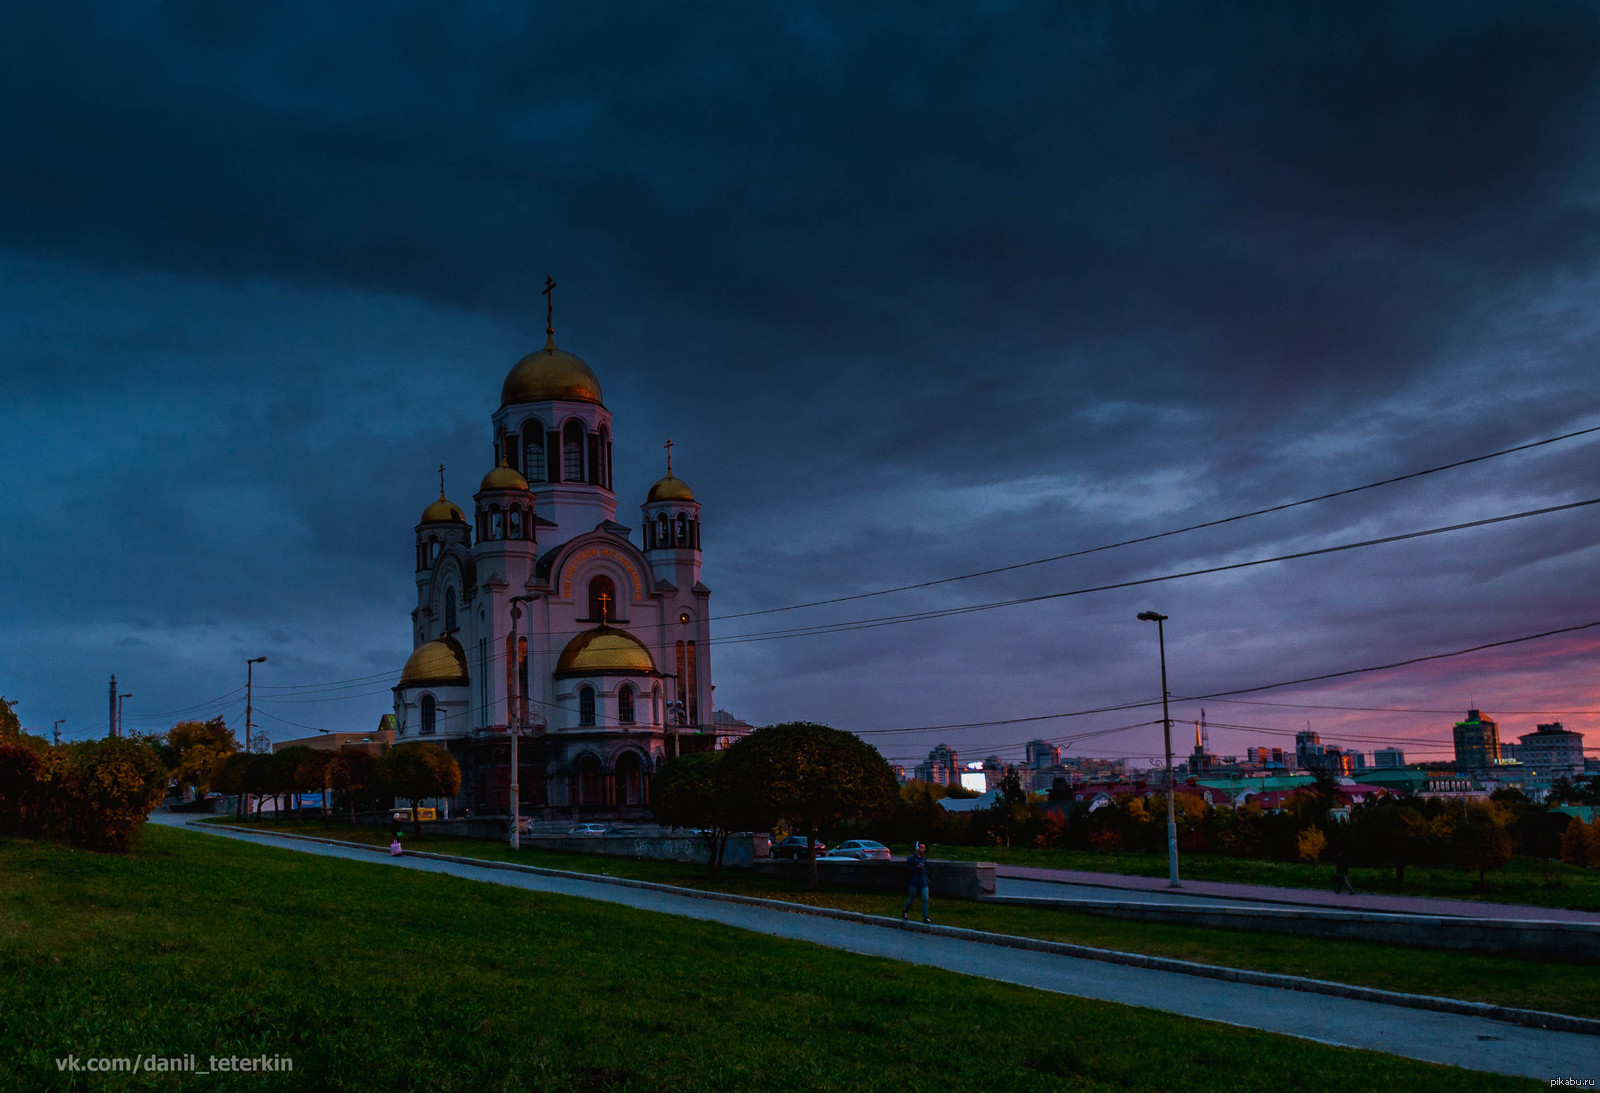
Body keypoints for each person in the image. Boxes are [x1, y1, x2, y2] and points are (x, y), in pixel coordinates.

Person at [902, 841, 930, 923]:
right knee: (912, 898)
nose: (922, 849)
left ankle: (926, 917)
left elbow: (925, 869)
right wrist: (916, 867)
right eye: (921, 847)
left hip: (923, 881)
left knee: (925, 899)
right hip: (914, 882)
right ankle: (905, 910)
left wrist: (926, 878)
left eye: (923, 848)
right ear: (917, 848)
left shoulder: (923, 859)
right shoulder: (911, 858)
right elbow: (908, 870)